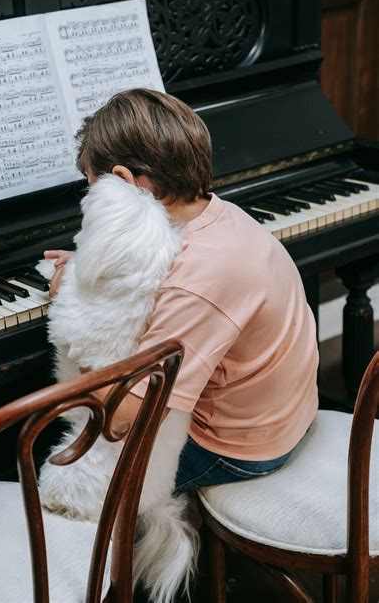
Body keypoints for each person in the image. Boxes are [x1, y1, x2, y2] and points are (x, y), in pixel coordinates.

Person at [44, 87, 319, 491]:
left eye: (92, 188)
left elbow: (122, 421)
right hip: (283, 410)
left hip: (233, 449)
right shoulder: (209, 213)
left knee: (61, 464)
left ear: (122, 180)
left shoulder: (197, 279)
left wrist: (75, 300)